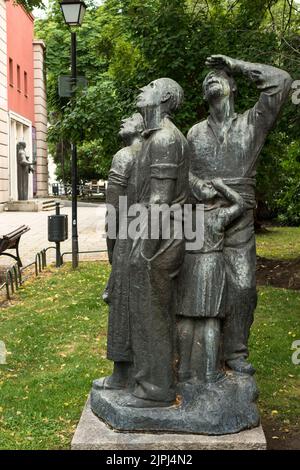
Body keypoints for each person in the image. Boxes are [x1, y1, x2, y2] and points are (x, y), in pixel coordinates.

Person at [186, 55, 292, 374]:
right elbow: (185, 174)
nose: (211, 80)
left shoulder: (252, 122)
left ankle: (235, 351)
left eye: (219, 77)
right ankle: (203, 357)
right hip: (204, 218)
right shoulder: (194, 134)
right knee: (201, 288)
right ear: (204, 96)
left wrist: (235, 65)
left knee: (243, 286)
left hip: (241, 215)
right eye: (207, 80)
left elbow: (282, 82)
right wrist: (199, 187)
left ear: (232, 86)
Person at [126, 78, 190, 408]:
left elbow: (160, 202)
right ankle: (148, 381)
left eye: (150, 85)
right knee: (148, 310)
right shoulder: (155, 137)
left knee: (152, 311)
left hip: (160, 240)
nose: (142, 88)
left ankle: (157, 389)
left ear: (163, 96)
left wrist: (144, 250)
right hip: (156, 234)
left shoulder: (165, 138)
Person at [93, 113, 144, 391]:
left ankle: (121, 374)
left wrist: (113, 252)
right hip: (155, 236)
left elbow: (113, 211)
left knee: (122, 304)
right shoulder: (157, 151)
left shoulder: (124, 156)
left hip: (128, 236)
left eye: (132, 117)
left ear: (142, 126)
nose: (123, 119)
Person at [177, 178, 245, 383]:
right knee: (206, 319)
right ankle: (207, 372)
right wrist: (223, 186)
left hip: (191, 264)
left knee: (191, 318)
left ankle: (185, 370)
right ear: (196, 195)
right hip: (210, 265)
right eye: (205, 185)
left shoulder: (187, 215)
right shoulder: (218, 215)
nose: (210, 185)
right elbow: (240, 204)